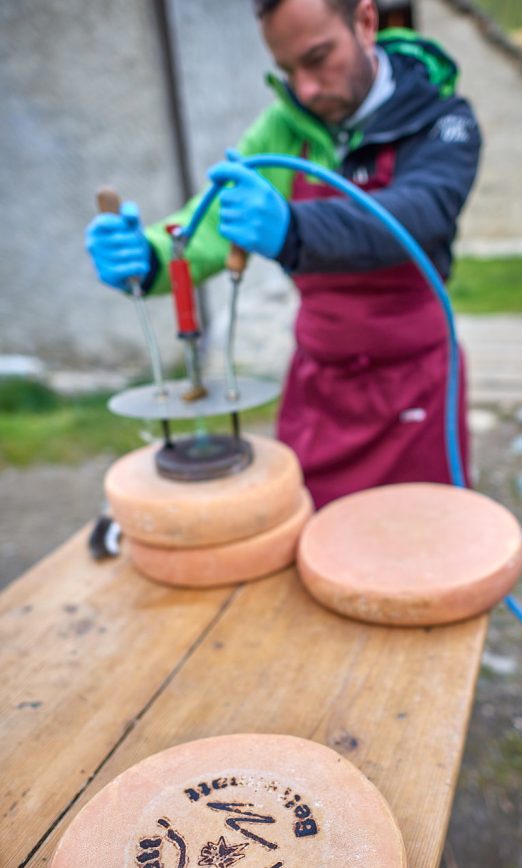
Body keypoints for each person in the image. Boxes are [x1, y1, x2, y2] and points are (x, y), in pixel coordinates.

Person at [86, 0, 481, 508]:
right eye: (288, 70)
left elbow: (420, 212)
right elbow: (213, 222)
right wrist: (154, 254)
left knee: (418, 530)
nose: (306, 88)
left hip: (414, 382)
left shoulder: (442, 118)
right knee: (305, 524)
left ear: (365, 23)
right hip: (321, 384)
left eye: (317, 59)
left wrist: (295, 229)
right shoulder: (283, 128)